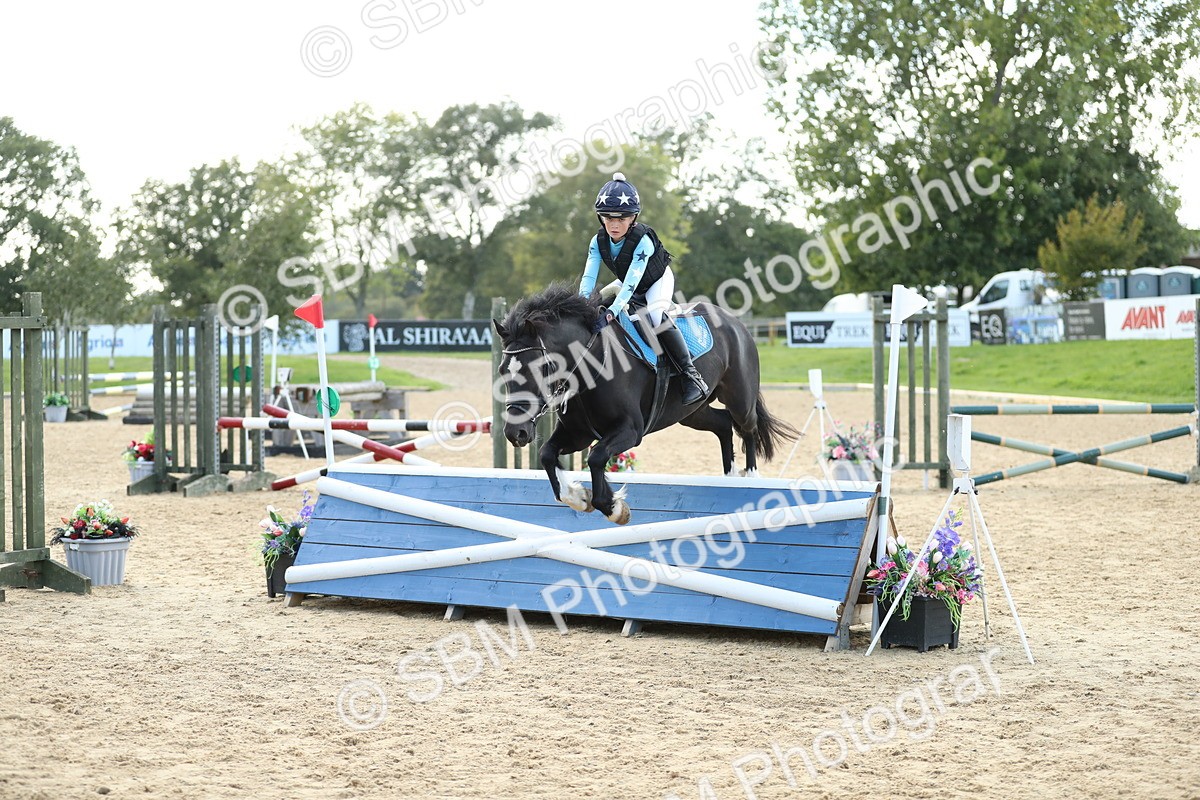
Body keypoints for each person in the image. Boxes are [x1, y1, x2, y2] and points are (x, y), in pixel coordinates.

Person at [578, 172, 710, 405]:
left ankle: (692, 376)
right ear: (601, 219)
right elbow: (589, 277)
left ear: (633, 218)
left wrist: (613, 311)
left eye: (621, 218)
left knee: (655, 318)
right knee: (596, 301)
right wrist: (581, 305)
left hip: (655, 281)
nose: (614, 225)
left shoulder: (643, 241)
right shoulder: (597, 241)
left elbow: (631, 283)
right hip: (629, 282)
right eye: (608, 218)